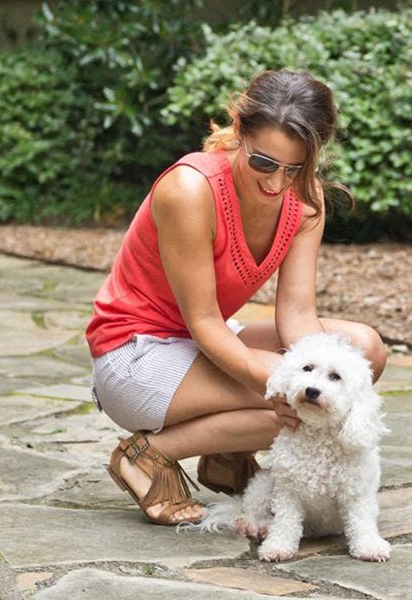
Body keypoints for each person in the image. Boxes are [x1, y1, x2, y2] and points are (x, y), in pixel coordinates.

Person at [85, 69, 387, 525]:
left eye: (294, 168)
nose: (275, 183)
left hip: (202, 344)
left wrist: (305, 370)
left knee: (363, 352)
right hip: (135, 355)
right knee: (289, 411)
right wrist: (273, 380)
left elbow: (299, 315)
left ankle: (227, 456)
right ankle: (145, 455)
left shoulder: (306, 201)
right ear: (239, 133)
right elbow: (204, 320)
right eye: (263, 163)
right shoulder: (190, 190)